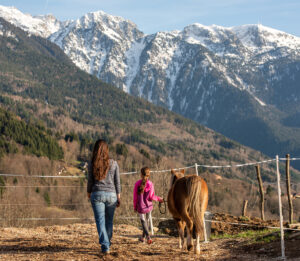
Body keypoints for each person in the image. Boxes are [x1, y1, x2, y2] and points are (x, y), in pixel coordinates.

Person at [87, 139, 121, 254]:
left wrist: (88, 193)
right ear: (107, 150)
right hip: (112, 195)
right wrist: (118, 196)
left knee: (100, 222)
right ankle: (108, 242)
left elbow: (90, 181)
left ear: (96, 150)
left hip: (97, 194)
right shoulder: (114, 163)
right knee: (109, 221)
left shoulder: (92, 163)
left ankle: (105, 246)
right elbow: (117, 182)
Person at [133, 167, 163, 244]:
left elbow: (135, 197)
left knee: (143, 221)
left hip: (140, 206)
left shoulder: (137, 184)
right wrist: (159, 199)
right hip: (149, 206)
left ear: (141, 175)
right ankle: (143, 237)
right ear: (148, 175)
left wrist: (135, 206)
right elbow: (151, 197)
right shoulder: (150, 184)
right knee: (147, 221)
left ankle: (148, 237)